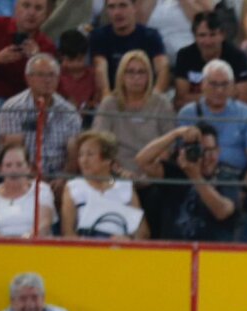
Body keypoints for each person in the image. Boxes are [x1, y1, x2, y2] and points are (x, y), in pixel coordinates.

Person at [0, 0, 56, 163]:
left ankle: (21, 168)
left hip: (20, 104)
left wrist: (36, 61)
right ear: (16, 7)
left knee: (30, 114)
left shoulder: (46, 46)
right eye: (26, 6)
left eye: (38, 8)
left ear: (46, 15)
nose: (31, 13)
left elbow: (47, 90)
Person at [136, 122, 240, 241]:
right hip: (174, 248)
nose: (206, 157)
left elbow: (222, 212)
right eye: (200, 151)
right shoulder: (177, 172)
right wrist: (176, 134)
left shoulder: (226, 177)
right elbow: (142, 160)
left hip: (211, 249)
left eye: (210, 150)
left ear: (218, 151)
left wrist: (195, 176)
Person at [176, 58, 247, 186]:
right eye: (213, 84)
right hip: (198, 181)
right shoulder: (187, 114)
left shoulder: (246, 113)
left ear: (233, 86)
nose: (219, 90)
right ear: (202, 85)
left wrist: (246, 188)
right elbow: (182, 158)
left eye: (225, 84)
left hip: (237, 180)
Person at [90, 49, 169, 178]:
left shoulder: (161, 103)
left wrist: (151, 172)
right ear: (121, 76)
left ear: (149, 76)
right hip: (116, 172)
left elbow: (169, 144)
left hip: (153, 171)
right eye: (130, 72)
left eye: (141, 72)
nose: (136, 77)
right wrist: (119, 171)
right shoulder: (109, 104)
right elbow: (99, 141)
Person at [61, 129, 149, 239]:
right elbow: (67, 232)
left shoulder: (125, 187)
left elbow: (143, 231)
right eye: (81, 155)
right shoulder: (73, 187)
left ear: (107, 159)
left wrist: (128, 241)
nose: (83, 160)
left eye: (90, 154)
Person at [90, 0, 169, 100]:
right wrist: (107, 97)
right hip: (114, 97)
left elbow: (163, 68)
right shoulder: (99, 36)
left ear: (135, 7)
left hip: (146, 97)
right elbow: (100, 68)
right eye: (111, 7)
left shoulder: (150, 36)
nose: (117, 12)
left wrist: (155, 97)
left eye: (123, 5)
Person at [173, 10, 247, 109]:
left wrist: (198, 97)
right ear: (194, 36)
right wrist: (222, 95)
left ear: (222, 35)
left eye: (212, 35)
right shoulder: (184, 55)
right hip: (195, 115)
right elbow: (180, 101)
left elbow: (243, 101)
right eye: (202, 35)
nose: (207, 41)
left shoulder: (238, 57)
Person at [0, 141, 56, 236]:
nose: (14, 170)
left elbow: (44, 224)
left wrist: (23, 242)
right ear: (0, 169)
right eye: (8, 165)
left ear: (29, 168)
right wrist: (5, 243)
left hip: (33, 244)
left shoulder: (42, 189)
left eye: (19, 165)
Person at [56, 30, 100, 113]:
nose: (75, 64)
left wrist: (89, 105)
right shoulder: (56, 75)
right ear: (61, 57)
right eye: (70, 60)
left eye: (80, 59)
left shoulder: (93, 74)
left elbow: (97, 100)